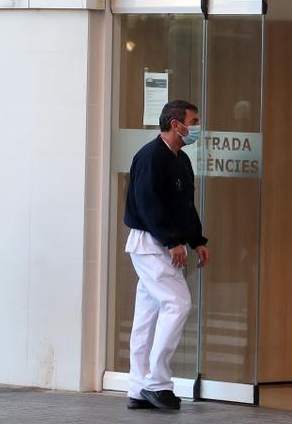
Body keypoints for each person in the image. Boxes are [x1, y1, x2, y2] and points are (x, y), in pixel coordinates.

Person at [123, 100, 210, 411]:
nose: (198, 126)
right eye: (194, 120)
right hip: (151, 243)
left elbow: (185, 205)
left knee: (147, 314)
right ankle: (157, 383)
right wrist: (172, 241)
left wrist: (196, 239)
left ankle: (137, 387)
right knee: (177, 303)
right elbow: (148, 205)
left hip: (163, 242)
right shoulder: (150, 157)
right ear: (177, 125)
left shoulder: (181, 160)